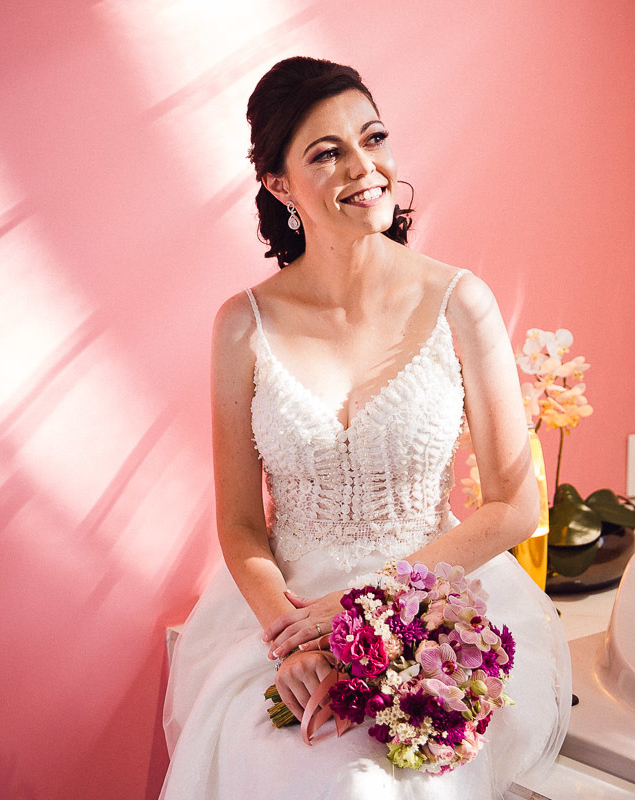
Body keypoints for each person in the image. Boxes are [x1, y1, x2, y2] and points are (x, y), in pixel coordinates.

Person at [160, 56, 570, 798]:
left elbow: (515, 505)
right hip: (287, 612)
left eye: (373, 138)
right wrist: (288, 639)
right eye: (327, 153)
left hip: (429, 599)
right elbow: (241, 523)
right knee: (293, 762)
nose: (363, 167)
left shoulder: (460, 302)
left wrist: (366, 607)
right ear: (279, 185)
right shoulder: (242, 327)